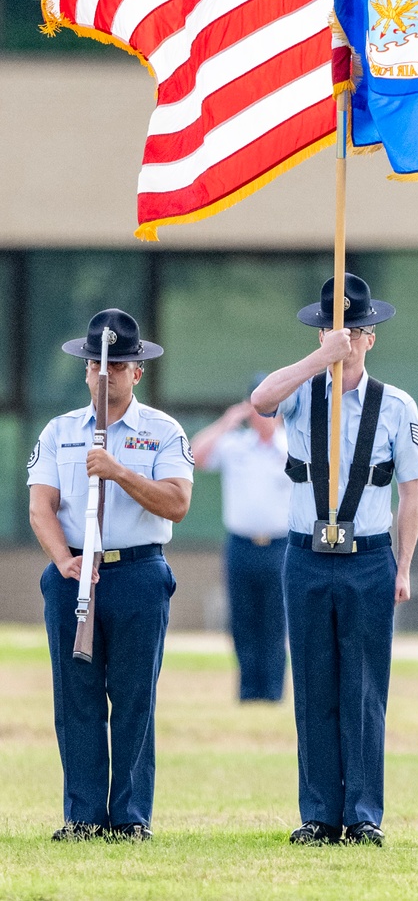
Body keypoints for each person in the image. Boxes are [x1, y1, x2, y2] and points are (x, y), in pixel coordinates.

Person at [251, 272, 418, 848]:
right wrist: (314, 360)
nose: (346, 338)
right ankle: (318, 814)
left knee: (364, 688)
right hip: (305, 555)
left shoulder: (397, 406)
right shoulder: (304, 392)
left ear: (370, 337)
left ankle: (363, 814)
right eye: (335, 327)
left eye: (355, 329)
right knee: (313, 687)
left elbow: (411, 492)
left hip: (368, 557)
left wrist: (404, 567)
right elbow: (260, 400)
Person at [27, 308, 193, 842]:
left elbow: (177, 503)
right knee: (75, 697)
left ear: (136, 372)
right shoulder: (60, 432)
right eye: (99, 366)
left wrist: (119, 471)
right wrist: (62, 560)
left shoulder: (161, 431)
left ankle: (129, 817)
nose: (107, 374)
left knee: (132, 697)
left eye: (119, 366)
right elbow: (41, 507)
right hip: (74, 571)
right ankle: (82, 817)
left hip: (138, 574)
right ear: (85, 371)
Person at [191, 385, 291, 702]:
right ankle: (248, 691)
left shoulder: (290, 447)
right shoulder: (235, 446)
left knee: (276, 622)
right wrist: (227, 422)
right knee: (242, 620)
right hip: (241, 544)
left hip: (280, 546)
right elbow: (194, 456)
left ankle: (273, 691)